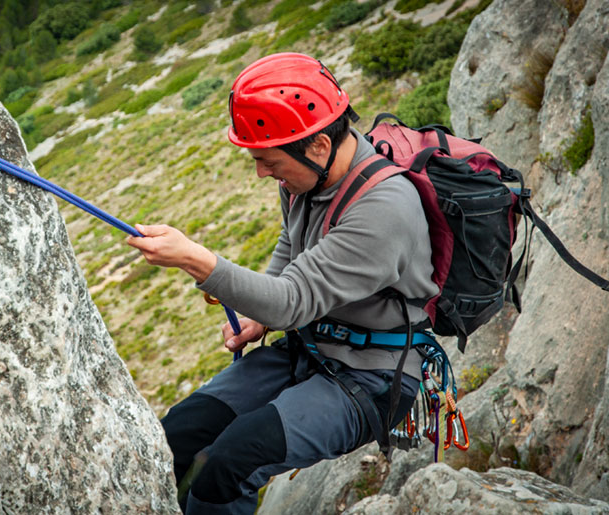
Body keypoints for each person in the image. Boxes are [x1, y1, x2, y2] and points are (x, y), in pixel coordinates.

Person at [126, 53, 438, 514]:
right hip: (309, 350)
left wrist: (196, 259)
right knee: (176, 436)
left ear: (316, 146)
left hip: (371, 374)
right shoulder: (306, 177)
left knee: (228, 466)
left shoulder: (384, 209)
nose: (261, 172)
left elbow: (290, 303)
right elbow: (290, 247)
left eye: (268, 161)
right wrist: (254, 315)